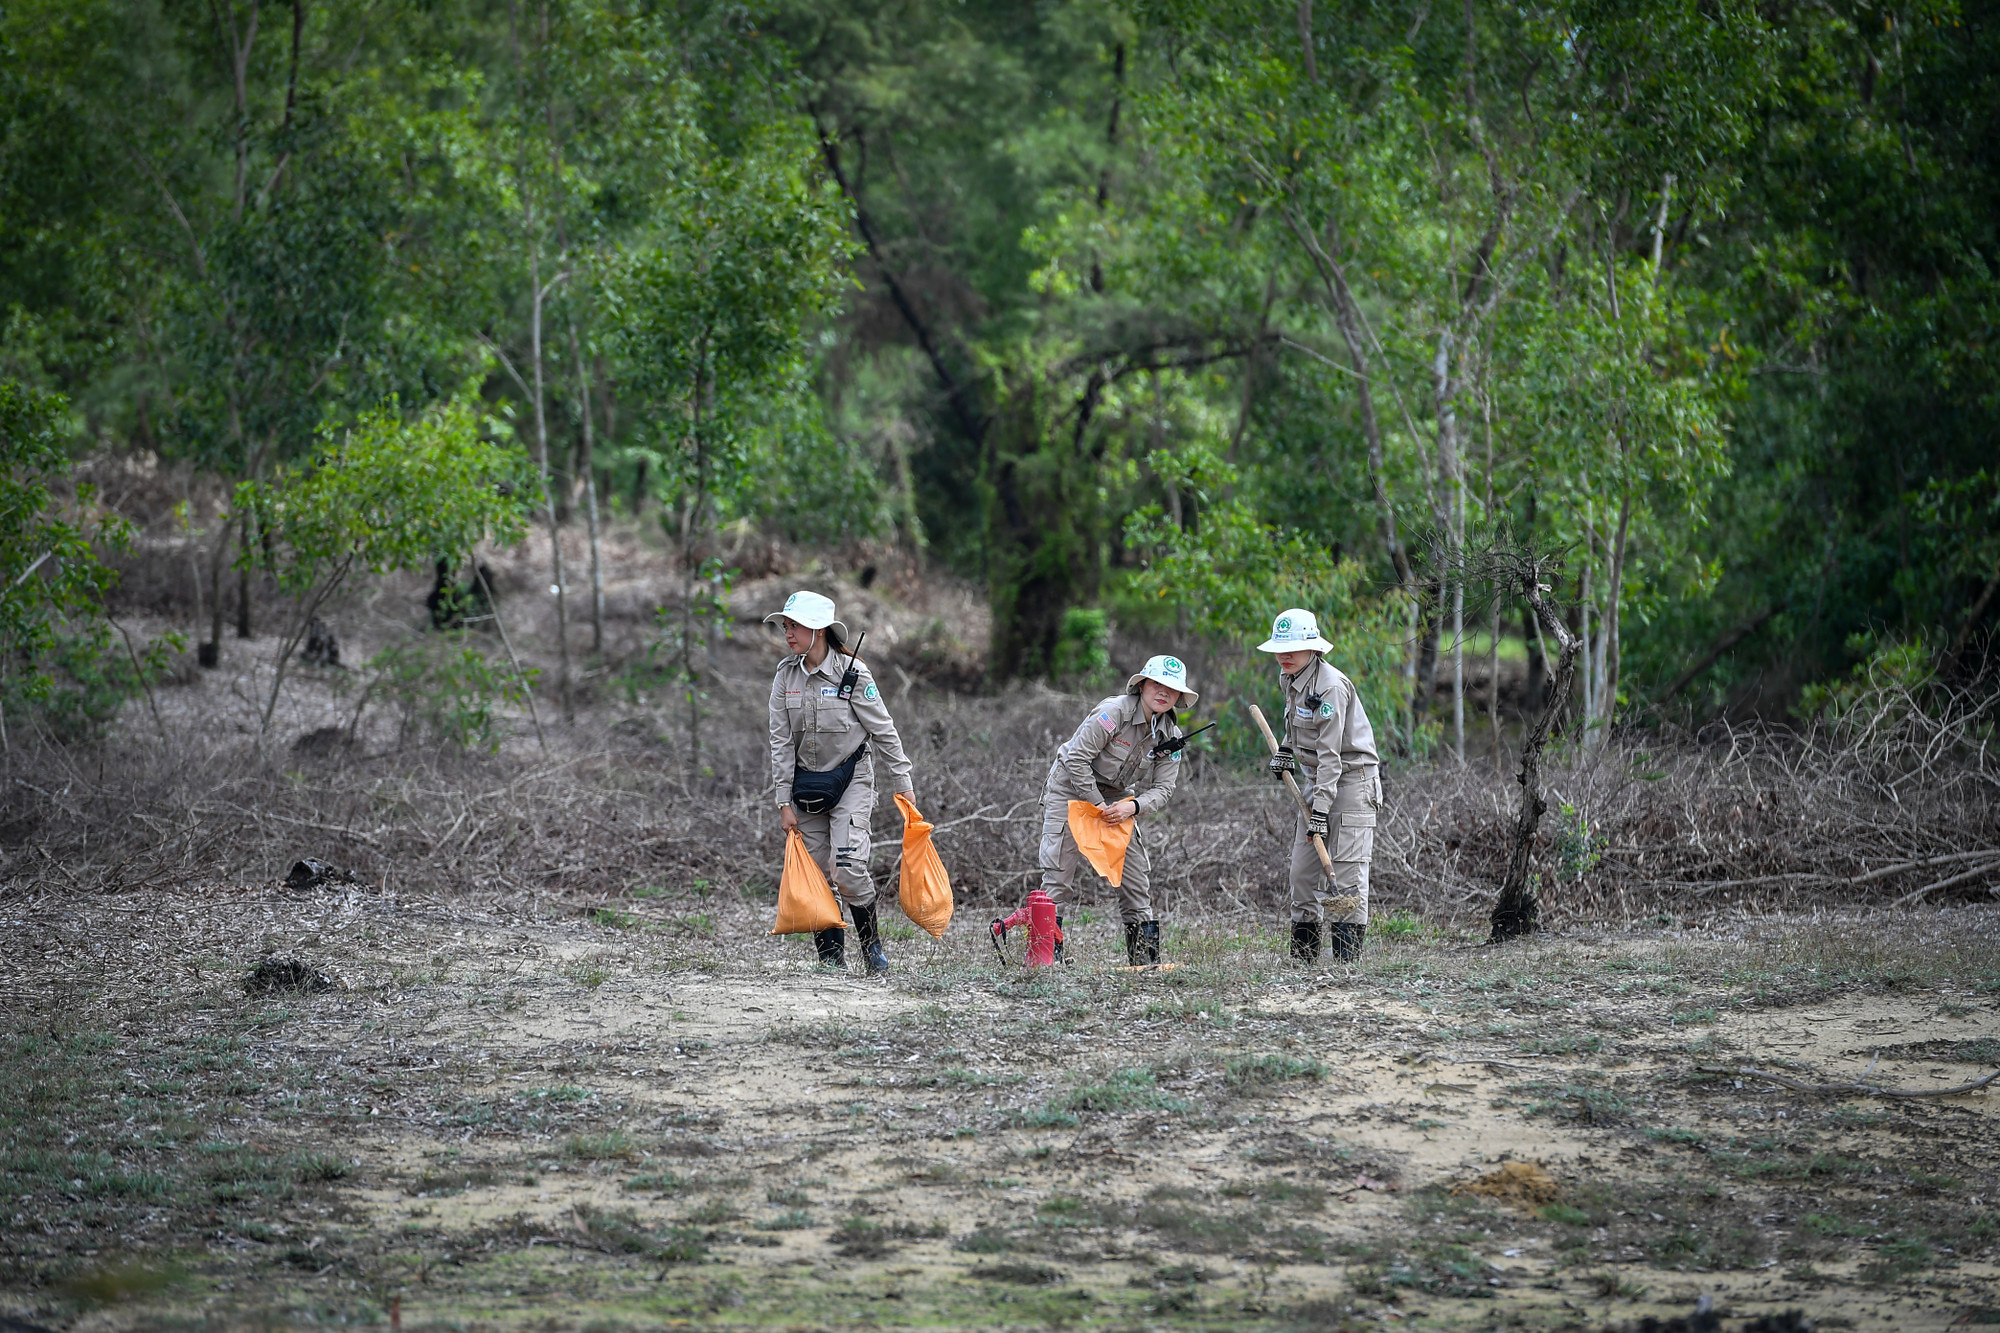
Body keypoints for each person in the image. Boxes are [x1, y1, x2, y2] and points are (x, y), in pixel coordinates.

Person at [765, 590, 915, 976]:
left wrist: (903, 781)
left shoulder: (853, 675)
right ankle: (831, 959)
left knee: (846, 866)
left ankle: (872, 950)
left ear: (818, 629)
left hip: (852, 778)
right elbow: (780, 741)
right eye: (786, 625)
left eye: (794, 625)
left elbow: (883, 730)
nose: (788, 632)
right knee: (817, 873)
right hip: (806, 786)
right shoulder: (786, 676)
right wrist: (784, 801)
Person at [1029, 654, 1196, 966]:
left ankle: (1144, 963)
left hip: (1119, 800)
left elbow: (1164, 788)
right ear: (1143, 684)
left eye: (1171, 688)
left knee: (1136, 880)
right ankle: (1043, 962)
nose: (1162, 692)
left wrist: (1132, 806)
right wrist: (1097, 805)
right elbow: (1076, 759)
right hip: (1070, 789)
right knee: (1058, 877)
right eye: (1157, 683)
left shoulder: (1170, 736)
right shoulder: (1113, 712)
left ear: (1178, 696)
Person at [1258, 608, 1382, 962]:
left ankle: (1345, 964)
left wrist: (1321, 812)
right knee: (1302, 871)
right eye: (1281, 648)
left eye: (1293, 647)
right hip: (1318, 780)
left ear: (1313, 648)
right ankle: (1303, 960)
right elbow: (1297, 723)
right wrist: (1285, 749)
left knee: (1345, 872)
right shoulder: (1291, 678)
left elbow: (1333, 757)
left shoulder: (1331, 687)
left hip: (1351, 783)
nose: (1284, 655)